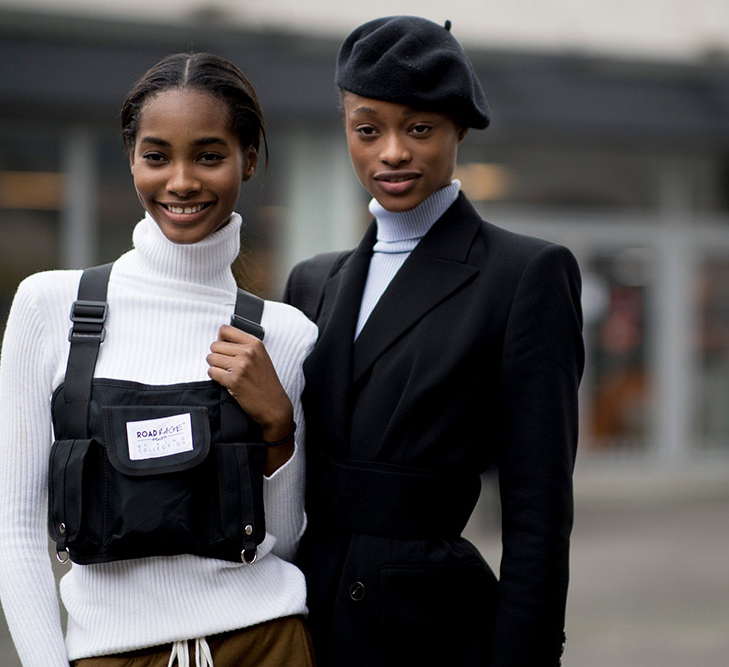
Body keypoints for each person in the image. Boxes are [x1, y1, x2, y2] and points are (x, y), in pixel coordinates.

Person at [0, 52, 317, 667]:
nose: (182, 181)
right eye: (157, 155)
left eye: (210, 155)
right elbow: (15, 529)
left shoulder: (287, 334)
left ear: (248, 159)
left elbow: (286, 541)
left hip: (267, 645)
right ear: (132, 158)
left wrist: (278, 428)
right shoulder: (50, 306)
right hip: (111, 654)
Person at [283, 16, 585, 667]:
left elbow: (538, 513)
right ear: (346, 129)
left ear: (460, 130)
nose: (392, 151)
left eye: (418, 128)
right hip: (302, 615)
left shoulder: (524, 274)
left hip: (430, 629)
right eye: (368, 129)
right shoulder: (313, 281)